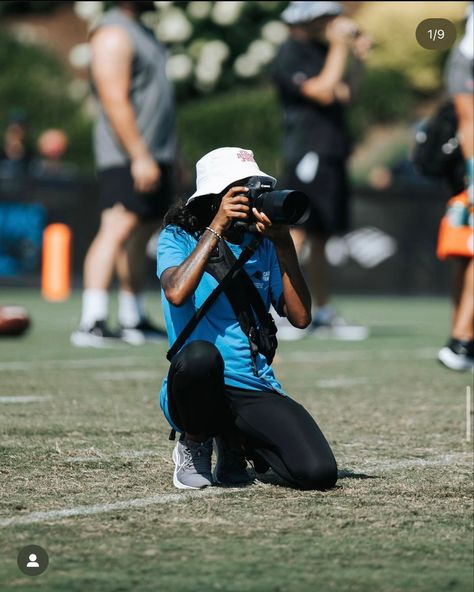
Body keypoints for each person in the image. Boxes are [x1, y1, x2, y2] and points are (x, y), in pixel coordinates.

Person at [157, 147, 338, 491]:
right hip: (197, 382)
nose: (252, 198)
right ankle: (194, 441)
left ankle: (235, 440)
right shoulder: (178, 237)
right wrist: (217, 227)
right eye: (239, 189)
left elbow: (300, 318)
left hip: (252, 385)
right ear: (214, 197)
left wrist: (284, 244)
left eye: (255, 189)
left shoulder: (264, 244)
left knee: (318, 473)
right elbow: (176, 292)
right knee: (199, 357)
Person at [71, 1, 176, 347]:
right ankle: (93, 320)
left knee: (141, 229)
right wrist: (139, 155)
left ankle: (132, 318)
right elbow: (114, 98)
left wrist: (170, 155)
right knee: (117, 224)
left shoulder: (143, 31)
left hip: (154, 152)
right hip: (128, 154)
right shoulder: (113, 33)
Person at [273, 1, 371, 340]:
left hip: (331, 153)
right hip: (306, 153)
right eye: (329, 18)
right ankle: (282, 310)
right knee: (297, 232)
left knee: (322, 235)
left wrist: (356, 59)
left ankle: (323, 311)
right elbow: (323, 91)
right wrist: (342, 47)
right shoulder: (290, 53)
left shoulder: (322, 51)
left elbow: (346, 94)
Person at [437, 4, 474, 372]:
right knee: (467, 251)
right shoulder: (464, 57)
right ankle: (461, 339)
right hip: (469, 168)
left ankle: (462, 339)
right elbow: (467, 122)